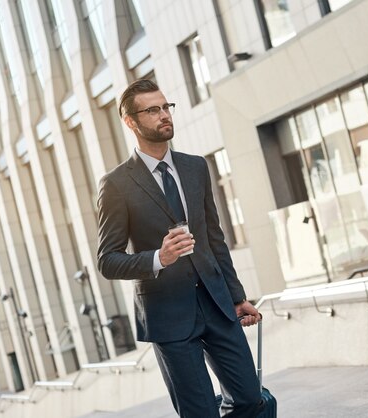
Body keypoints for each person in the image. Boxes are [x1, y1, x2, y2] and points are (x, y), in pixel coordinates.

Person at [97, 79, 262, 418]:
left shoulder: (195, 166)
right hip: (167, 313)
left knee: (250, 398)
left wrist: (235, 295)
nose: (164, 115)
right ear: (130, 121)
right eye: (152, 110)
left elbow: (215, 239)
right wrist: (160, 258)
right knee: (199, 412)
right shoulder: (116, 185)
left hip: (216, 304)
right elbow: (108, 261)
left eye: (166, 107)